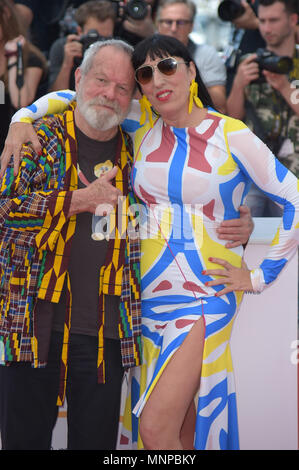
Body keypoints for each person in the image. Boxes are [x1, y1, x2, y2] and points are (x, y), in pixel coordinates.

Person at [2, 33, 299, 451]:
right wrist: (21, 117)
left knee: (155, 429)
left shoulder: (221, 134)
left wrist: (257, 275)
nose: (157, 78)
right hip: (129, 305)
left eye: (168, 66)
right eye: (145, 73)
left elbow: (293, 197)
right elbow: (77, 93)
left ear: (191, 69)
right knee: (180, 431)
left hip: (191, 300)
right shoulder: (134, 128)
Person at [0, 38, 144, 451]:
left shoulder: (142, 155)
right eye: (101, 80)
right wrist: (78, 200)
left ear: (133, 97)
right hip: (31, 324)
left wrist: (233, 220)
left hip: (107, 336)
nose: (109, 94)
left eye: (121, 88)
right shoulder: (35, 137)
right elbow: (5, 214)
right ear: (79, 78)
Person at [227, 0, 299, 217]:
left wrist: (285, 86)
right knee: (245, 239)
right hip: (252, 170)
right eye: (263, 20)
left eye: (274, 20)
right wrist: (239, 84)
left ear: (293, 20)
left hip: (293, 171)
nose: (267, 28)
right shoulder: (249, 61)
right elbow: (232, 118)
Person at [156, 0, 227, 113]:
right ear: (158, 24)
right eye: (168, 22)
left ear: (192, 26)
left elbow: (220, 106)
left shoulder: (206, 55)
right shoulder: (145, 57)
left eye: (180, 22)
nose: (174, 28)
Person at [0, 0, 47, 153]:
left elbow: (20, 100)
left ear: (6, 15)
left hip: (22, 148)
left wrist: (14, 57)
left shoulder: (30, 58)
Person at [48, 0, 117, 92]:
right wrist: (66, 65)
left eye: (106, 38)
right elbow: (55, 98)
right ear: (80, 31)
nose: (100, 44)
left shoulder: (119, 50)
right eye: (95, 37)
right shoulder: (63, 48)